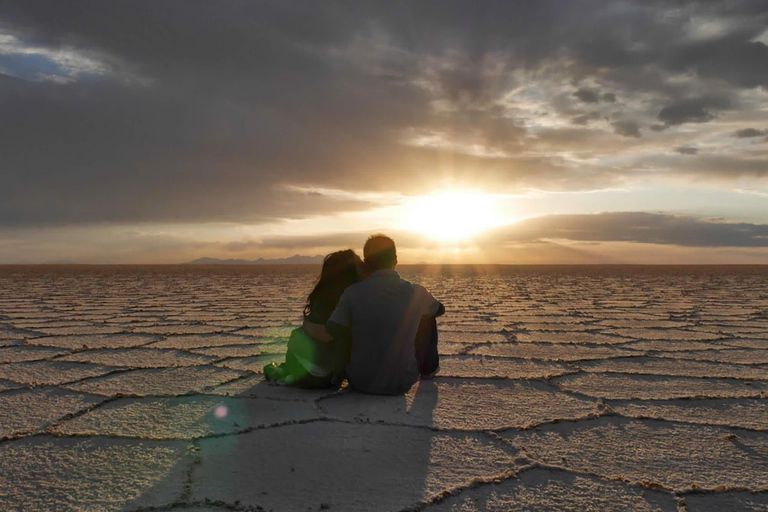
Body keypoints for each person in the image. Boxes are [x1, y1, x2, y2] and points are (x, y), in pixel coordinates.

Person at [326, 234, 445, 395]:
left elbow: (333, 329)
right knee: (426, 314)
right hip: (402, 381)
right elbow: (439, 309)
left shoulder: (352, 292)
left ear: (366, 263)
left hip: (360, 381)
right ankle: (428, 369)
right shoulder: (416, 292)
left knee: (345, 322)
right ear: (395, 260)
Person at [263, 249, 364, 387]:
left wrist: (306, 326)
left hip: (322, 374)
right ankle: (285, 370)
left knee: (297, 337)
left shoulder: (332, 299)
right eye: (360, 262)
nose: (363, 264)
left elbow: (327, 334)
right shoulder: (356, 297)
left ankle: (283, 371)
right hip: (334, 372)